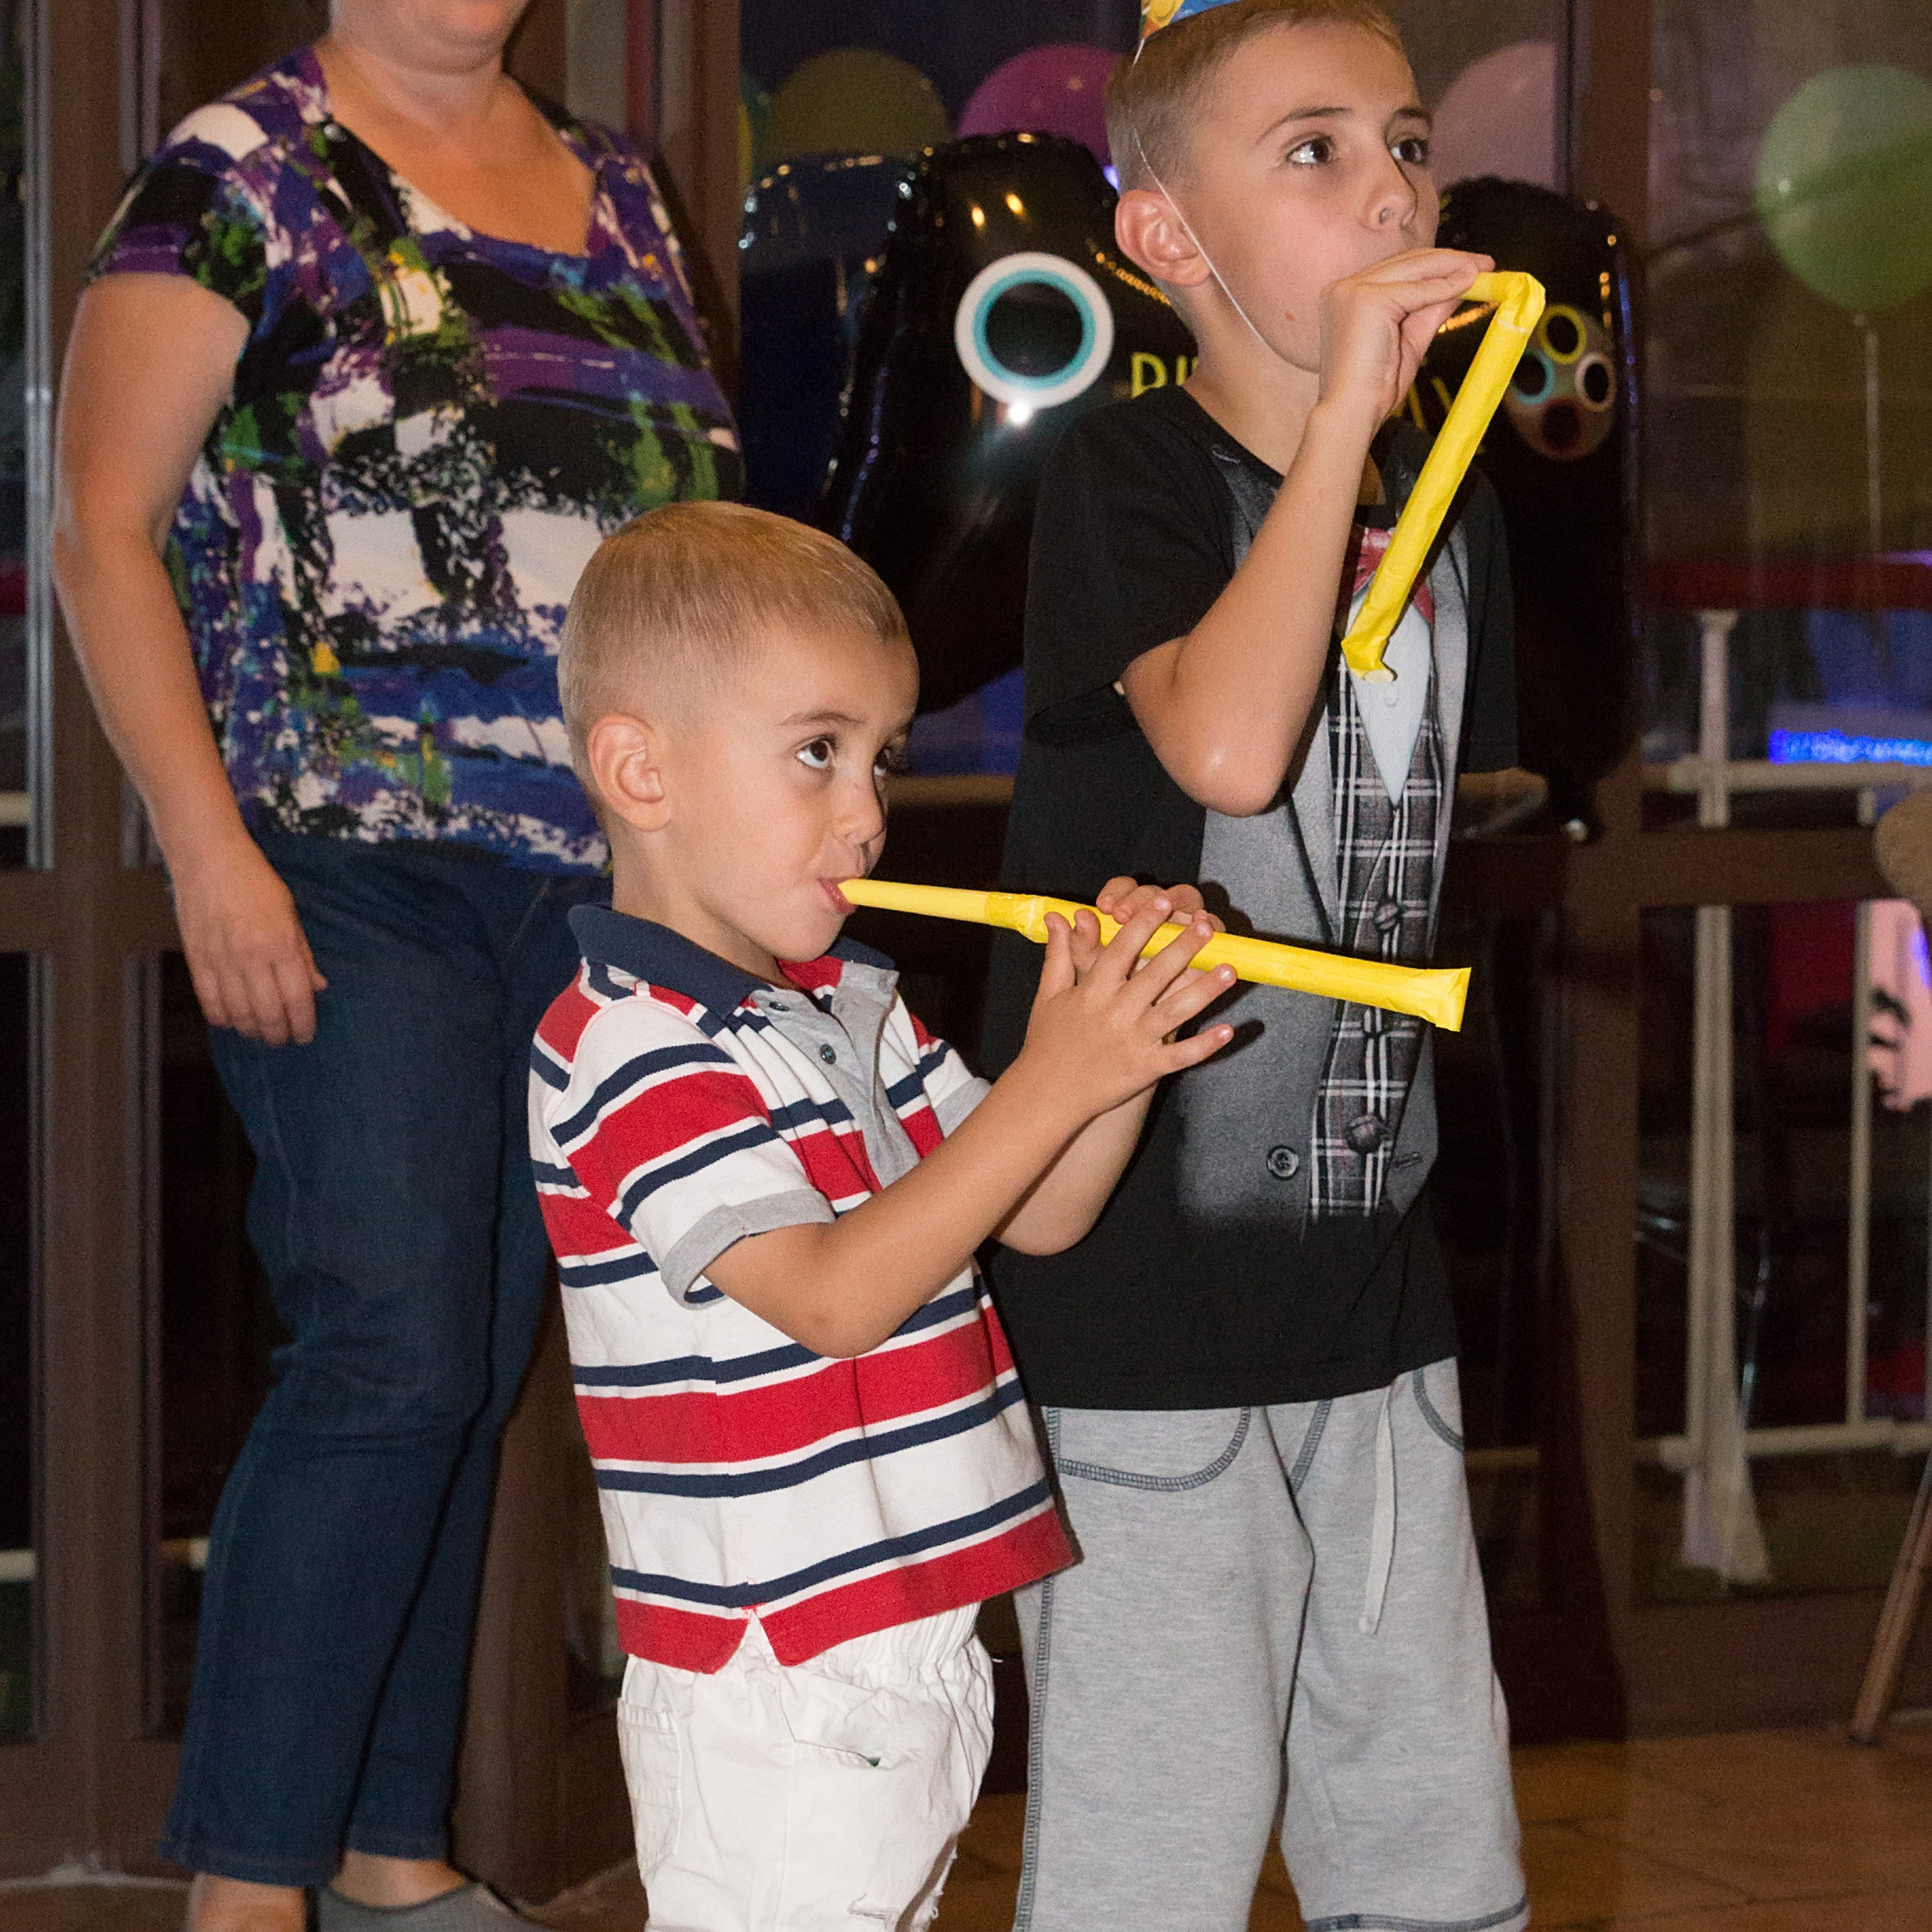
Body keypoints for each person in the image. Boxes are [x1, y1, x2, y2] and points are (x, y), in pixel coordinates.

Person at [51, 3, 738, 1926]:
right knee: (391, 1348)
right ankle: (249, 1889)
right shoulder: (241, 167)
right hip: (344, 856)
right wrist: (204, 850)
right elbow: (105, 527)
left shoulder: (619, 190)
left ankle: (391, 1855)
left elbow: (672, 548)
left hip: (580, 886)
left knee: (465, 1365)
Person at [978, 3, 1531, 1929]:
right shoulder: (1131, 478)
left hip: (1371, 1284)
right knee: (1155, 1843)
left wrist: (1389, 458)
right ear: (1165, 240)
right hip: (1141, 1314)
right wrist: (1338, 443)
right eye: (1309, 150)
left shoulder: (1435, 504)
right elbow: (1223, 747)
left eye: (1400, 142)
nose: (1384, 185)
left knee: (1428, 1832)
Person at [528, 500, 1236, 1930]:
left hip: (912, 1640)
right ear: (638, 768)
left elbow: (1034, 1214)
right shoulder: (629, 1044)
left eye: (881, 758)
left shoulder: (847, 1003)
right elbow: (840, 1298)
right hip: (777, 1671)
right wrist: (1060, 1074)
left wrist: (1121, 1045)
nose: (866, 811)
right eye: (816, 751)